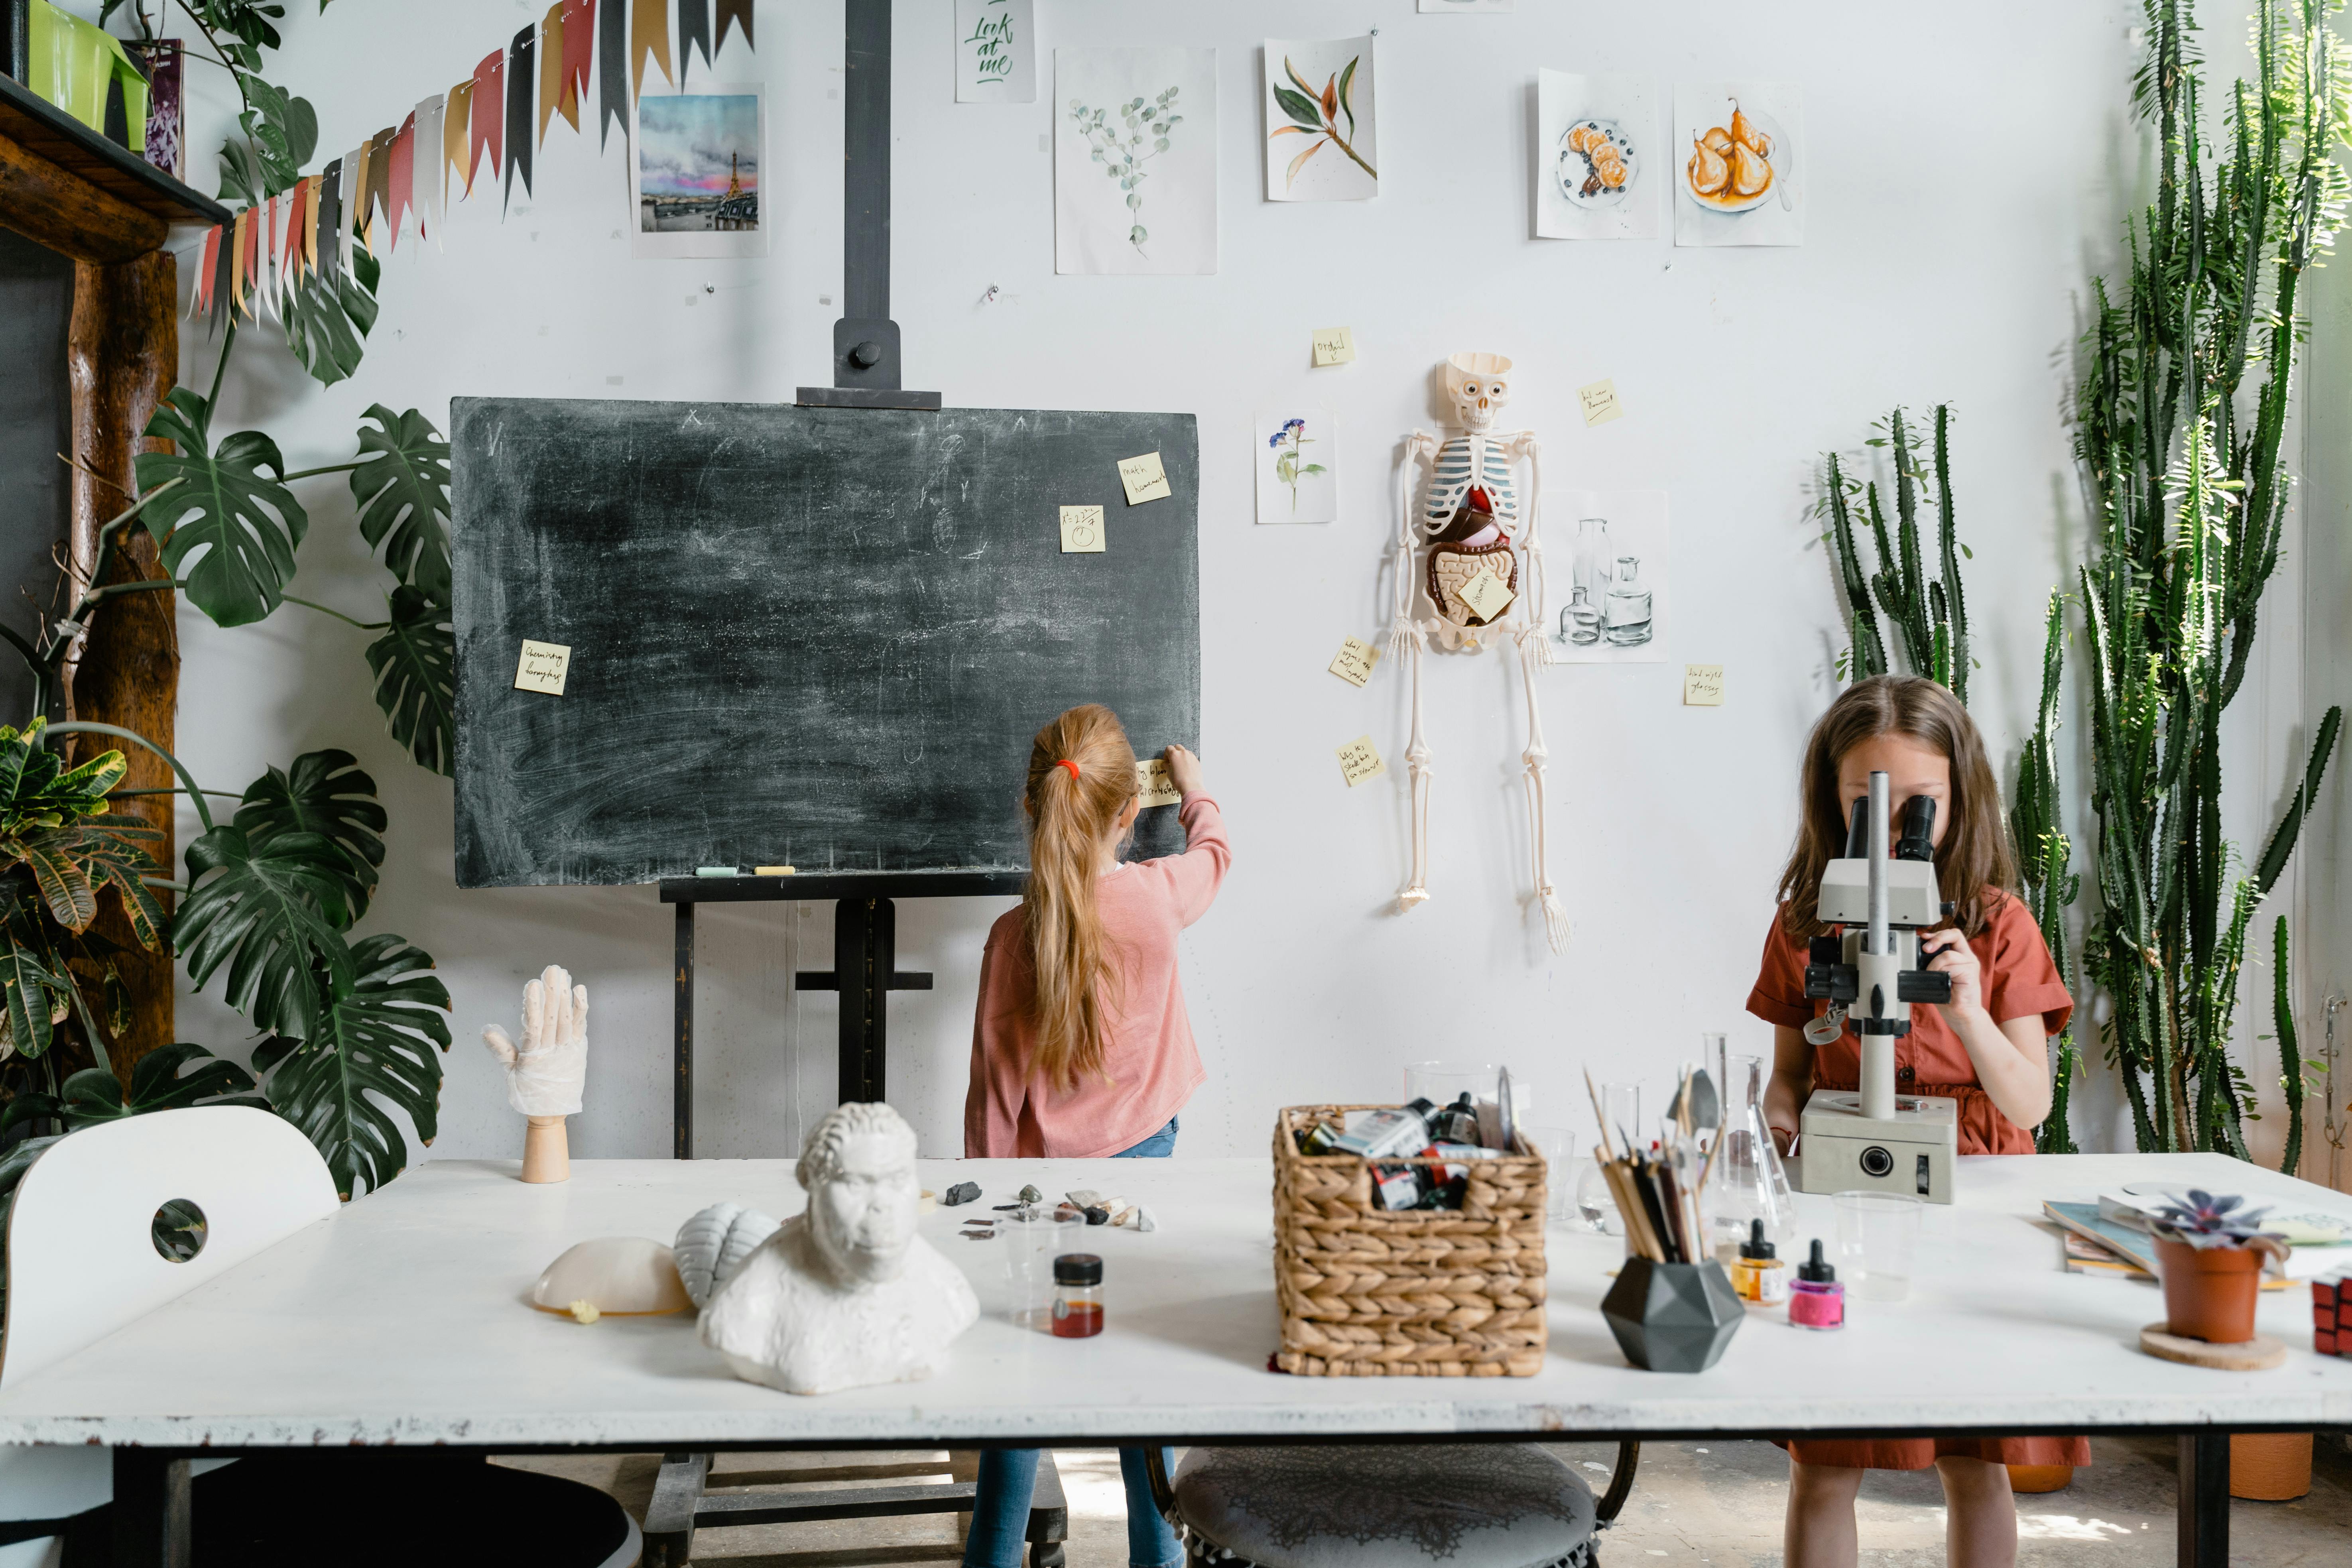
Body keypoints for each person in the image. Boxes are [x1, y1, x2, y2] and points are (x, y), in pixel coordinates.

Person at [1745, 675, 2079, 1568]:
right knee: (1827, 1458)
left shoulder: (1999, 925)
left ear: (1957, 800)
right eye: (1868, 801)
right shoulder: (1806, 924)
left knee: (1975, 1460)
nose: (1892, 827)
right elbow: (1789, 1075)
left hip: (1977, 1189)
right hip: (1853, 1199)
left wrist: (1967, 1007)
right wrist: (1778, 1119)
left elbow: (2031, 1103)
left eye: (1916, 806)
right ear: (1832, 796)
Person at [961, 703, 1230, 1568]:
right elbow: (1215, 859)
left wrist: (996, 1208)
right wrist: (1194, 795)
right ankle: (1159, 1558)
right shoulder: (1156, 902)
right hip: (1142, 1174)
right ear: (1127, 815)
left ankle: (993, 1559)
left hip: (1037, 1191)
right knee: (1133, 1382)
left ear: (1030, 805)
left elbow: (994, 1098)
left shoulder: (1013, 937)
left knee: (1022, 1389)